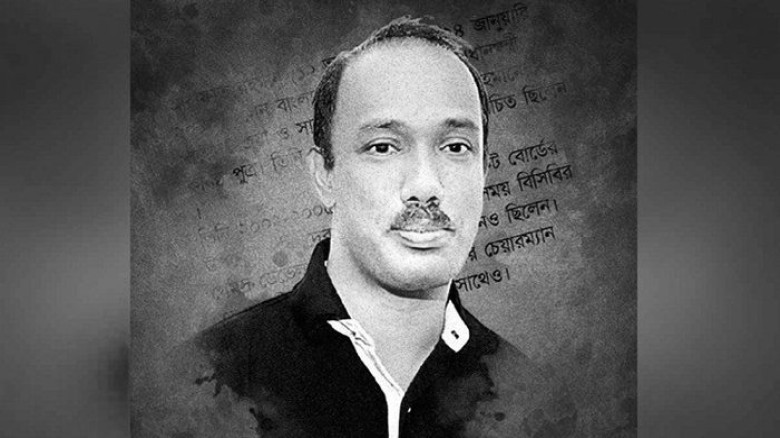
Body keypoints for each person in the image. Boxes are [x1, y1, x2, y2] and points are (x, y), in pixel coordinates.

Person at [137, 17, 576, 438]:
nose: (425, 186)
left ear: (483, 172)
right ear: (324, 176)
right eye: (383, 147)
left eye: (456, 147)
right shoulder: (203, 385)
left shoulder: (538, 408)